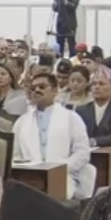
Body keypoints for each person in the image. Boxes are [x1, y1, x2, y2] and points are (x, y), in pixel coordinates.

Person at [12, 71, 95, 200]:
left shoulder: (71, 117)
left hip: (63, 176)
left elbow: (82, 152)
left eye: (42, 87)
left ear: (55, 90)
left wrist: (59, 169)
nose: (37, 90)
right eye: (33, 88)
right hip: (30, 179)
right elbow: (15, 156)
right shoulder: (21, 122)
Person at [77, 69, 111, 148]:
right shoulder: (81, 111)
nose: (96, 87)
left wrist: (94, 141)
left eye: (101, 84)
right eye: (94, 84)